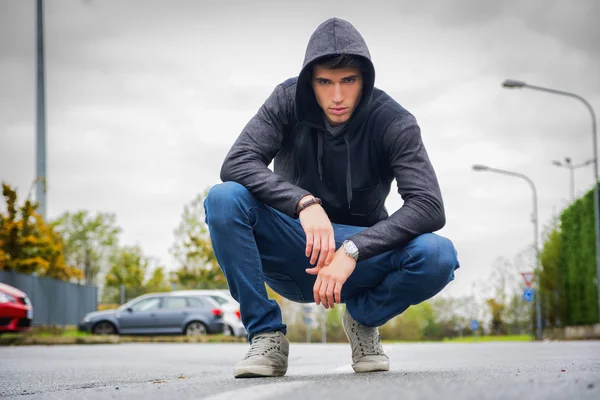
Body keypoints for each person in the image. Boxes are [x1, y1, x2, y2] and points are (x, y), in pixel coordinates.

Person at [204, 17, 459, 378]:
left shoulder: (394, 121)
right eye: (324, 82)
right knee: (224, 198)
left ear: (364, 80)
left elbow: (428, 205)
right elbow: (237, 161)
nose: (337, 97)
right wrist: (303, 203)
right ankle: (265, 335)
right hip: (293, 244)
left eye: (348, 81)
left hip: (360, 262)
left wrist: (353, 249)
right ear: (311, 81)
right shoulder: (286, 100)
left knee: (438, 254)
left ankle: (362, 319)